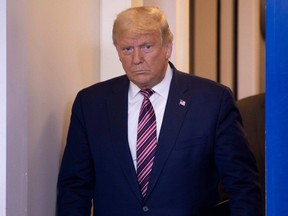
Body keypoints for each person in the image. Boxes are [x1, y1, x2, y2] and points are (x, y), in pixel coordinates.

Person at [57, 6, 262, 216]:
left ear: (167, 47)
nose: (136, 59)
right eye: (127, 49)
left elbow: (242, 185)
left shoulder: (212, 100)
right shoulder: (91, 104)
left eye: (146, 47)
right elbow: (74, 187)